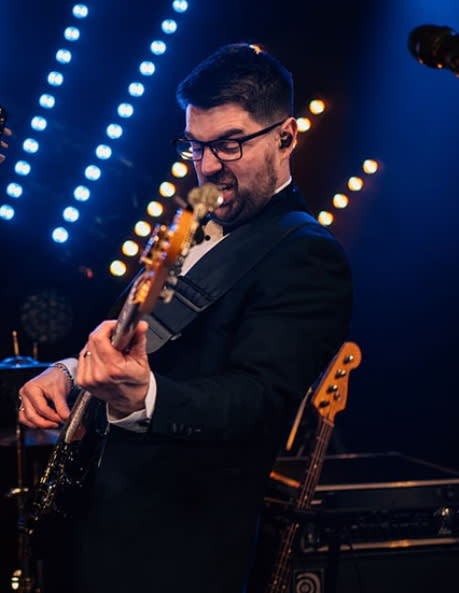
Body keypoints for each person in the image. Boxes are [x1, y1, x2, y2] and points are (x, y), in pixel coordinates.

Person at [19, 43, 352, 593]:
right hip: (92, 526)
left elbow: (260, 400)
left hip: (174, 552)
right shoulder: (187, 224)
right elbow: (126, 343)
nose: (208, 166)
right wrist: (70, 372)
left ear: (287, 136)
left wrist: (144, 398)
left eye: (230, 144)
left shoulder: (307, 254)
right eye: (195, 146)